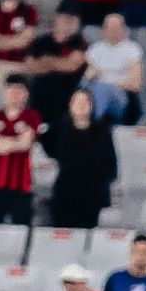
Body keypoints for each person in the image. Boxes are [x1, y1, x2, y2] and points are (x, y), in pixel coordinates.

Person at [0, 76, 43, 226]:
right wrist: (13, 142)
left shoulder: (31, 117)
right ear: (5, 92)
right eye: (11, 90)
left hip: (20, 186)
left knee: (21, 231)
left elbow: (25, 143)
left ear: (26, 94)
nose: (15, 94)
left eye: (19, 90)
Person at [46, 87, 117, 229]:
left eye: (85, 101)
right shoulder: (59, 128)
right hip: (64, 193)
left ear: (91, 106)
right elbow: (49, 150)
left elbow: (110, 166)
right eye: (77, 101)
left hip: (92, 195)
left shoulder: (102, 132)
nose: (81, 104)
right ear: (70, 105)